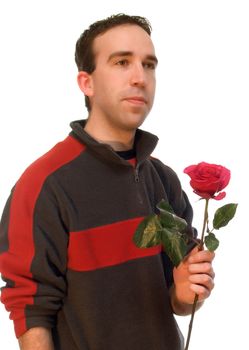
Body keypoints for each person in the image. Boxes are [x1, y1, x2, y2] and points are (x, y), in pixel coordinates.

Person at [0, 14, 215, 350]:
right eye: (121, 62)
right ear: (87, 83)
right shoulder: (44, 184)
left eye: (148, 65)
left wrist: (189, 293)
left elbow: (178, 303)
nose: (139, 77)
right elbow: (31, 311)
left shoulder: (163, 179)